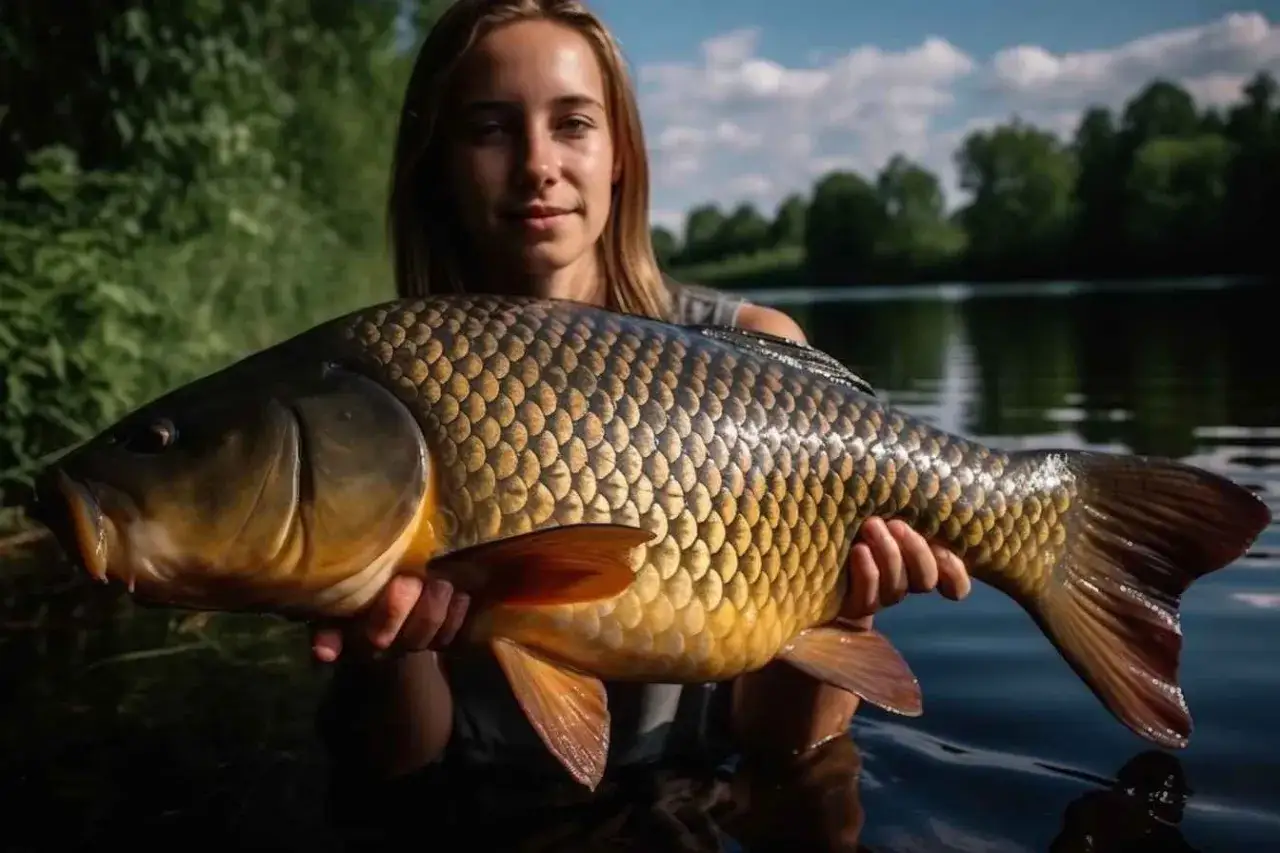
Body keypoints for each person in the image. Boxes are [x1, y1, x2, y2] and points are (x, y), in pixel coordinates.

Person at [314, 0, 972, 834]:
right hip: (480, 805)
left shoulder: (752, 351)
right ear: (437, 159)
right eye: (489, 129)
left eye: (573, 124)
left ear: (620, 151)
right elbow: (396, 763)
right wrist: (386, 645)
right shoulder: (391, 392)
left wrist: (846, 610)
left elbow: (778, 744)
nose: (537, 165)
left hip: (697, 790)